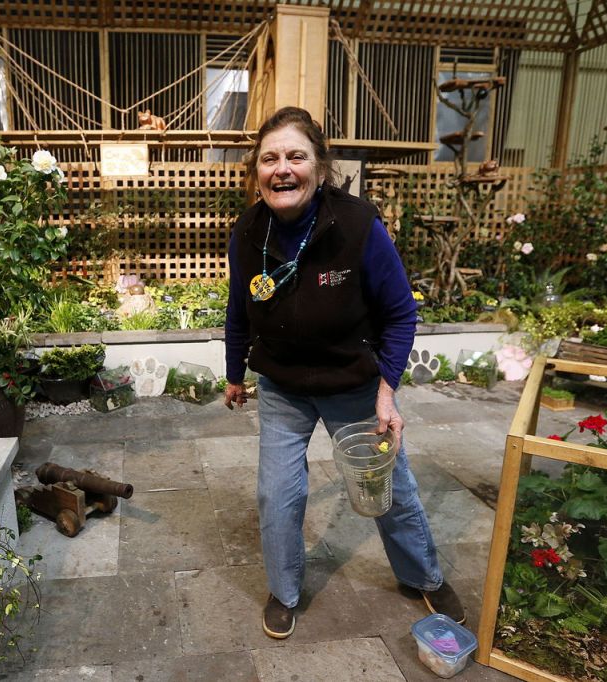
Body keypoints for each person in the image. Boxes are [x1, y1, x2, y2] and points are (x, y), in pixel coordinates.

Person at [223, 106, 464, 640]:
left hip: (354, 387)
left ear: (320, 166)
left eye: (295, 156)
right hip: (283, 388)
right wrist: (234, 372)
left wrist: (386, 393)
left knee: (391, 490)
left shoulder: (356, 224)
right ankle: (284, 590)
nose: (281, 169)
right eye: (269, 158)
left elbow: (401, 312)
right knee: (277, 494)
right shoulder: (247, 231)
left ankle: (423, 575)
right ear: (255, 171)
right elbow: (239, 308)